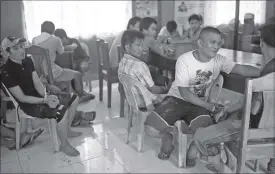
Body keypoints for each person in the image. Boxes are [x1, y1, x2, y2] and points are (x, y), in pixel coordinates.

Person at [144, 26, 261, 162]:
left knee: (206, 135)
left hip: (199, 104)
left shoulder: (220, 60)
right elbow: (184, 92)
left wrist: (265, 72)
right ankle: (167, 137)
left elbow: (241, 69)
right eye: (212, 42)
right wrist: (209, 106)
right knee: (150, 129)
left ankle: (193, 149)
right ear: (200, 43)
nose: (216, 46)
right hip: (176, 99)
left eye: (219, 43)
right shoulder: (185, 60)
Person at [187, 23, 275, 173]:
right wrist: (230, 109)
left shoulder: (267, 74)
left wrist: (229, 110)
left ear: (261, 42)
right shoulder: (268, 70)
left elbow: (253, 110)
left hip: (253, 130)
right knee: (228, 114)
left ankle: (222, 168)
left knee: (200, 135)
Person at [1, 36, 83, 156]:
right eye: (16, 48)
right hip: (27, 104)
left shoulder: (27, 60)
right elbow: (22, 98)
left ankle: (67, 130)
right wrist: (45, 101)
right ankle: (64, 144)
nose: (22, 50)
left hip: (40, 97)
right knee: (61, 111)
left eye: (22, 46)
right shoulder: (6, 71)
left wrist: (47, 96)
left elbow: (37, 83)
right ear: (7, 52)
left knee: (74, 98)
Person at [32, 21, 94, 103]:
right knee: (77, 74)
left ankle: (68, 93)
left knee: (63, 68)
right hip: (51, 73)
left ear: (41, 29)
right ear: (52, 31)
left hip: (39, 73)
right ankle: (80, 96)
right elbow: (61, 51)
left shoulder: (34, 40)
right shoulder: (56, 39)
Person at [118, 30, 169, 108]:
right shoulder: (140, 65)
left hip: (133, 102)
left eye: (141, 45)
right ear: (127, 47)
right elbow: (154, 90)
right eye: (138, 45)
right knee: (177, 97)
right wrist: (166, 89)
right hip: (147, 104)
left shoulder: (122, 62)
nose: (141, 48)